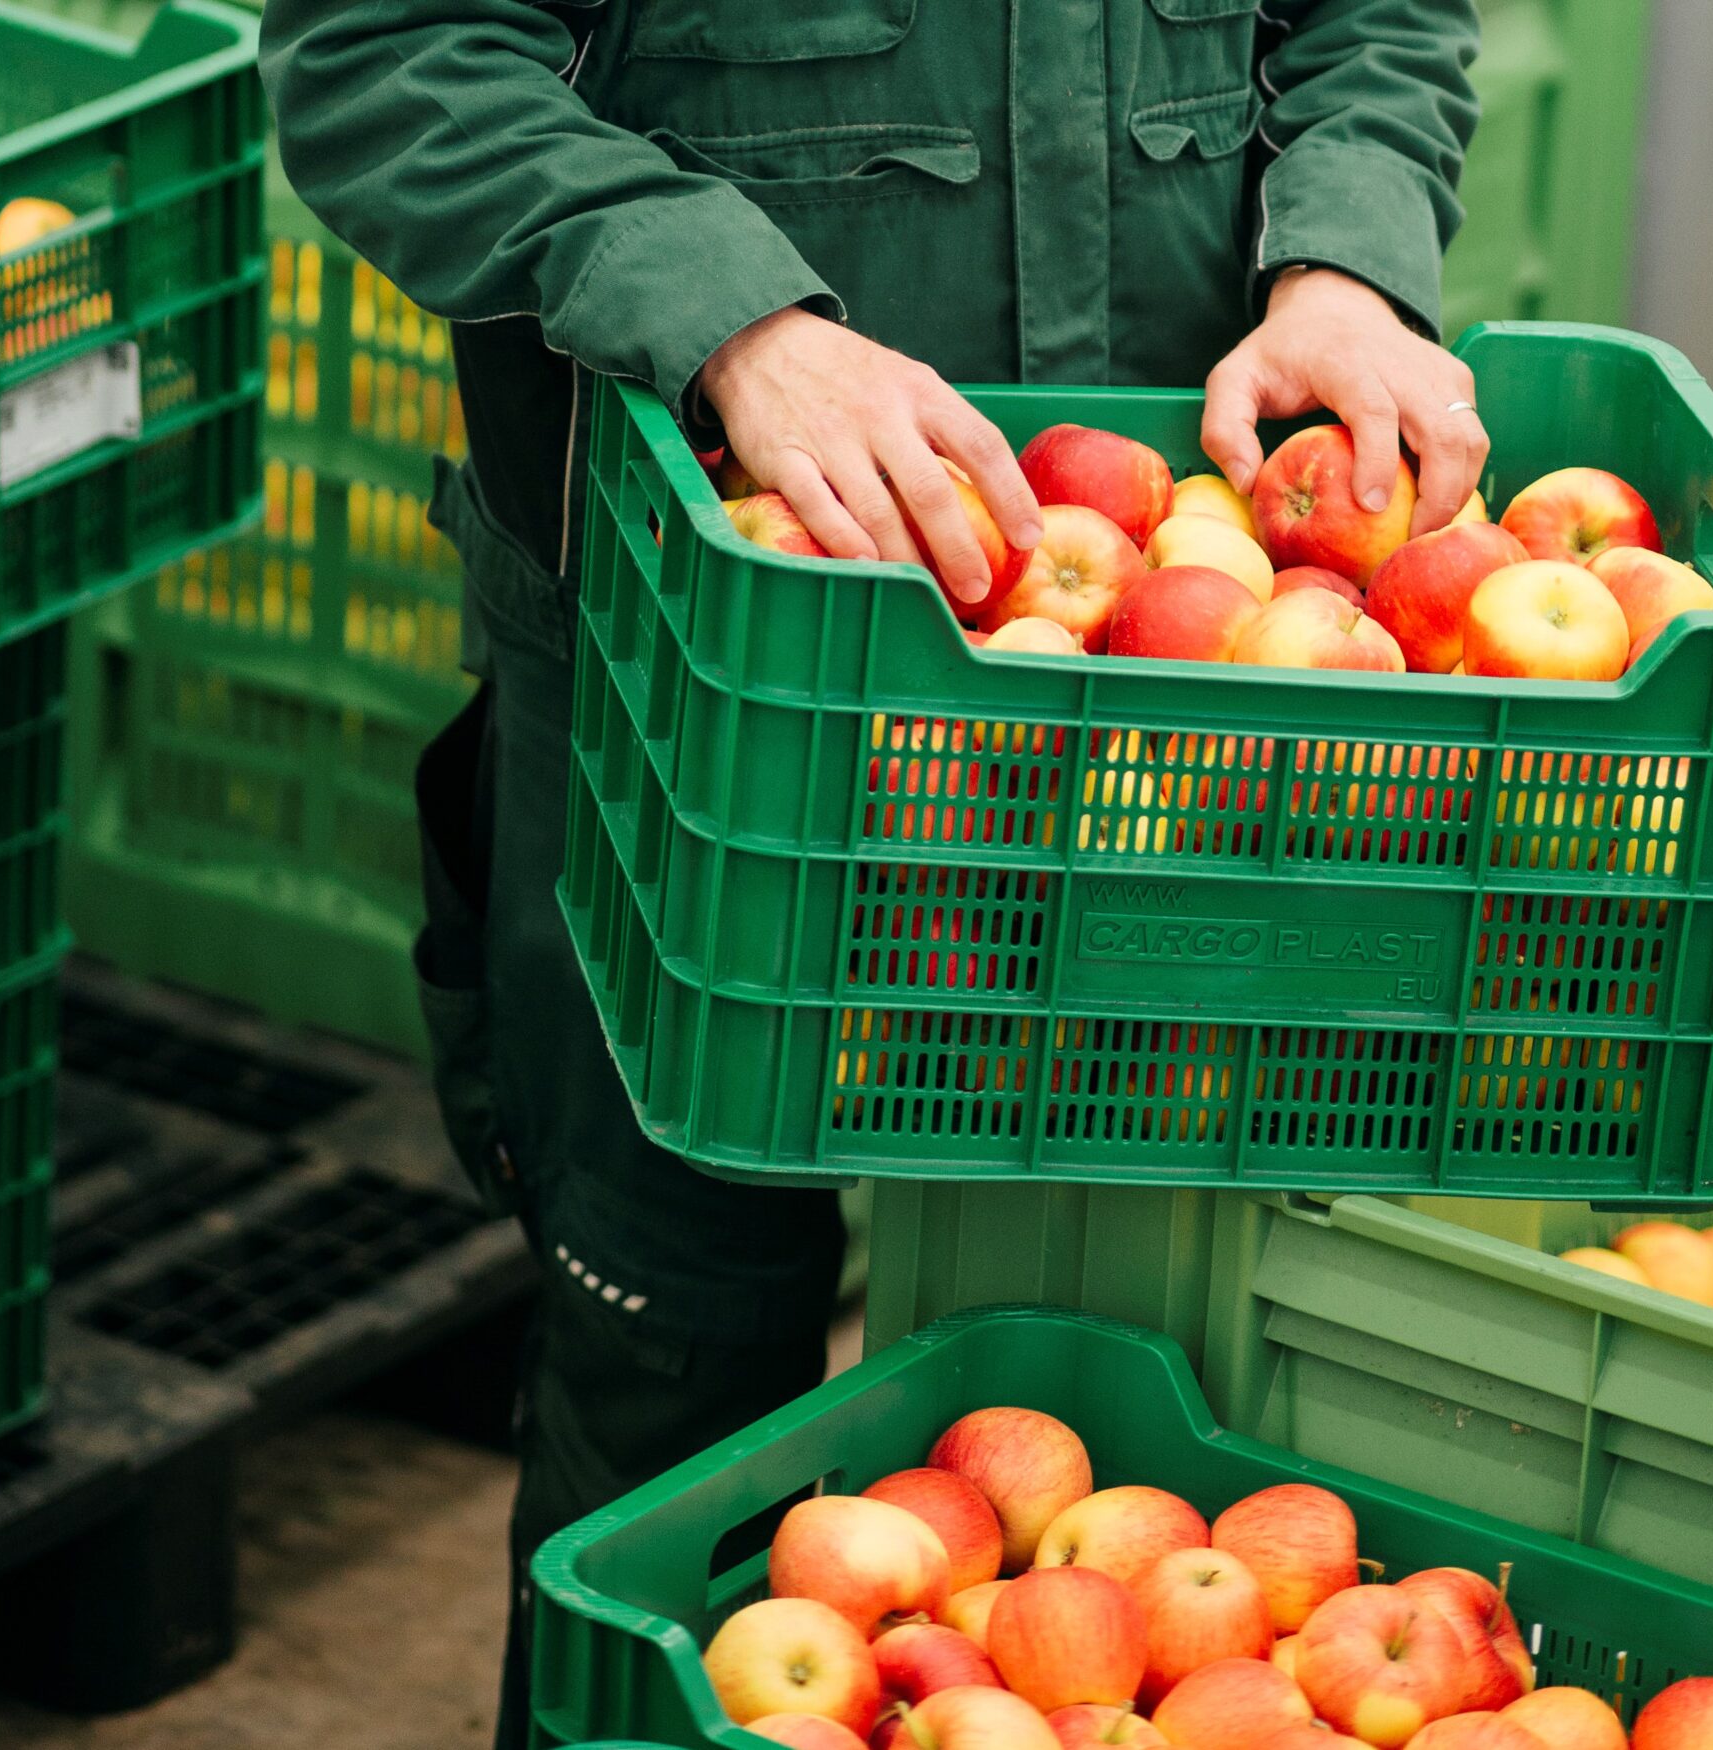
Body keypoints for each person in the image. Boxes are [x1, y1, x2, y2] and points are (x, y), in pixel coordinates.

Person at [257, 3, 1485, 1740]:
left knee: (1136, 1420)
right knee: (667, 1381)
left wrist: (1346, 261)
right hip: (691, 691)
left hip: (1177, 693)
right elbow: (388, 47)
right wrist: (724, 319)